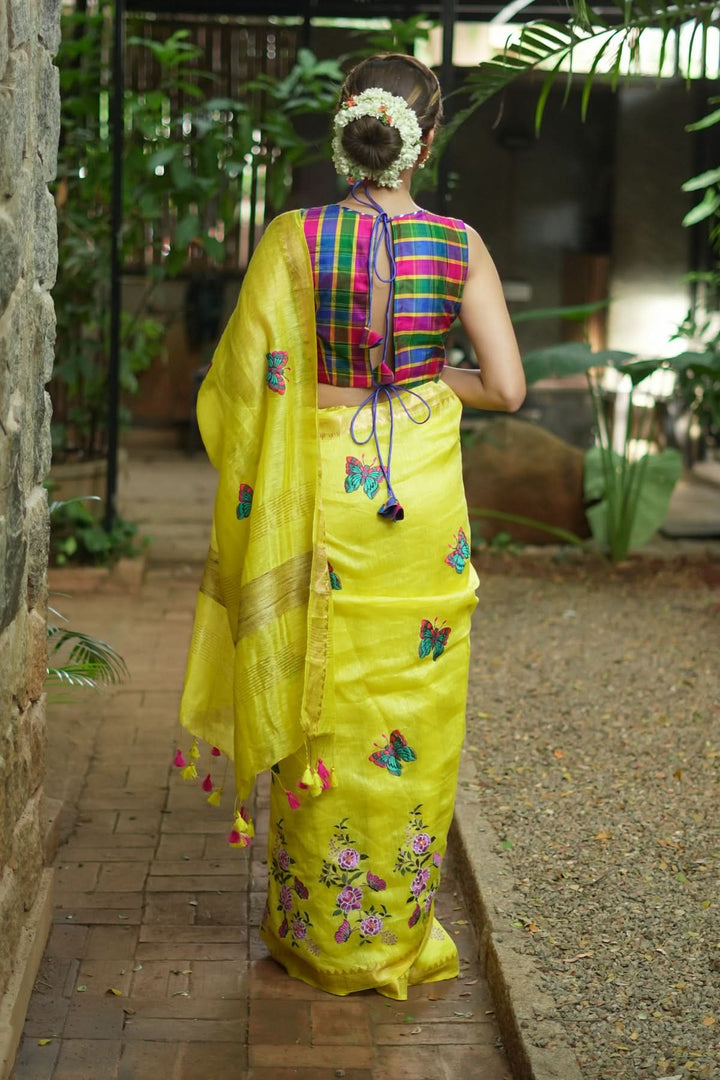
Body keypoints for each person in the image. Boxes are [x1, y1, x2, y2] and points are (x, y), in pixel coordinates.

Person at [177, 52, 525, 1000]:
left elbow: (240, 393)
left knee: (316, 699)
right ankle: (393, 934)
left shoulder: (295, 239)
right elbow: (505, 386)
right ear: (430, 135)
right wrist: (416, 382)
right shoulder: (459, 245)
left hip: (319, 495)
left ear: (347, 124)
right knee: (412, 708)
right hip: (421, 514)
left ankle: (318, 930)